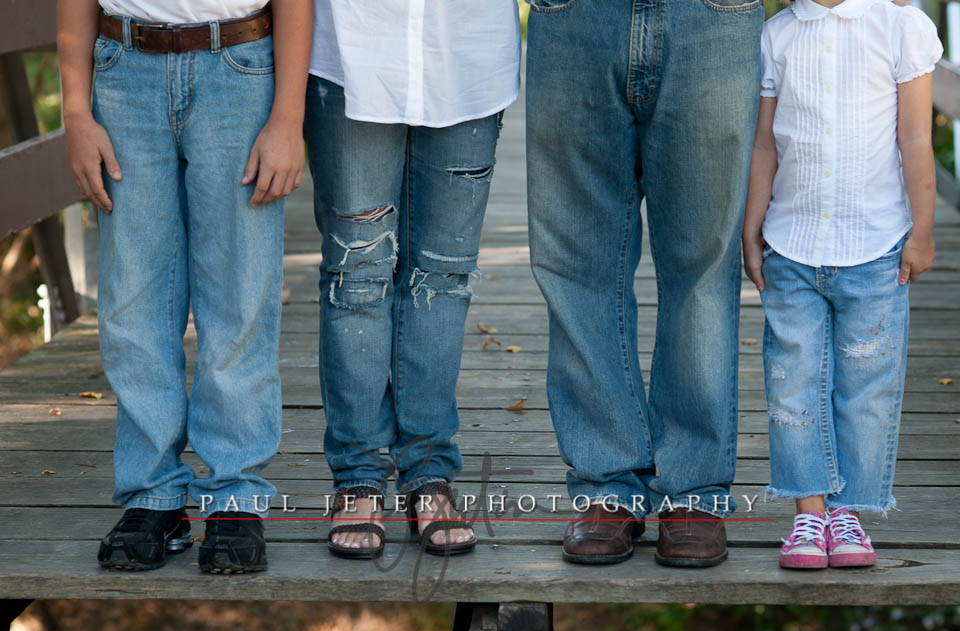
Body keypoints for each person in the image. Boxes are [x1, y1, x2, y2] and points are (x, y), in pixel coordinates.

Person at [58, 0, 312, 573]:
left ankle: (236, 497)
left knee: (240, 294)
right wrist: (76, 111)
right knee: (133, 298)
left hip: (239, 70)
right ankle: (154, 494)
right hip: (125, 74)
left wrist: (287, 118)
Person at [526, 0, 765, 567]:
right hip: (573, 15)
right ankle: (607, 483)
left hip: (713, 16)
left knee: (704, 262)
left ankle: (694, 490)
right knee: (576, 262)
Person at [304, 0, 521, 558]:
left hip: (469, 57)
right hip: (350, 50)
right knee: (356, 274)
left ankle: (428, 471)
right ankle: (358, 477)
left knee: (443, 280)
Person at [743, 0, 940, 569]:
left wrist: (922, 231)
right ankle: (809, 512)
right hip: (792, 244)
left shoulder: (900, 27)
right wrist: (752, 229)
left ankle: (848, 510)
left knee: (866, 386)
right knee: (792, 383)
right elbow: (765, 144)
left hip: (875, 247)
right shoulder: (776, 36)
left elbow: (916, 140)